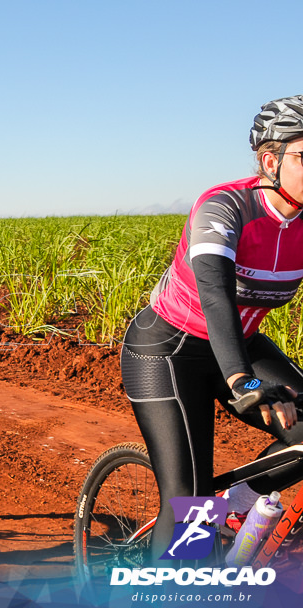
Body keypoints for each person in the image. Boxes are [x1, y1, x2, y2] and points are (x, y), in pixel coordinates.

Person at [122, 95, 303, 562]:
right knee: (191, 497)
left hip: (239, 344)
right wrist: (244, 379)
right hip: (166, 350)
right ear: (271, 159)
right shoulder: (224, 207)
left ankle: (238, 503)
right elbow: (216, 294)